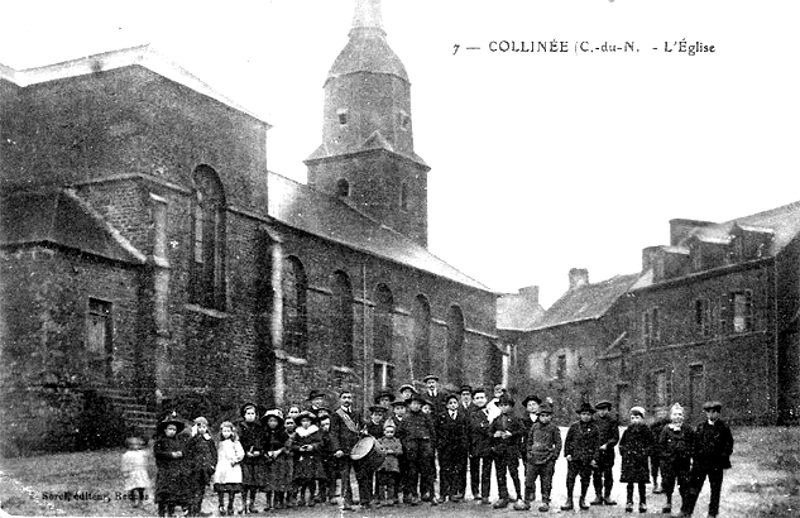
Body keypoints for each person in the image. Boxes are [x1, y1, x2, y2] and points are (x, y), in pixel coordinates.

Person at [680, 401, 734, 518]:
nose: (711, 415)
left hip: (716, 463)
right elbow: (694, 443)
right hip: (700, 463)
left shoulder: (723, 428)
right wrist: (695, 455)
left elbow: (729, 444)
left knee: (715, 489)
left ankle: (712, 513)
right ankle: (687, 512)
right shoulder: (700, 427)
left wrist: (723, 456)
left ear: (718, 413)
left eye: (714, 412)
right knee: (693, 488)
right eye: (708, 412)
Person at [329, 390, 369, 510]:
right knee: (345, 476)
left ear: (352, 400)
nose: (347, 400)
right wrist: (337, 449)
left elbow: (363, 427)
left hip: (357, 449)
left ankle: (365, 501)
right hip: (344, 450)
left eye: (349, 398)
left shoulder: (357, 413)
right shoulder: (336, 414)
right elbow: (333, 433)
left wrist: (364, 431)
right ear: (340, 400)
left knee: (361, 475)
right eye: (344, 397)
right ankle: (347, 502)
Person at [399, 393, 438, 506]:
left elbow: (432, 433)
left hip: (424, 449)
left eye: (418, 404)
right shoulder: (406, 418)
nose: (416, 406)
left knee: (427, 473)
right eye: (414, 403)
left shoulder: (426, 417)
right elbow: (400, 434)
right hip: (411, 450)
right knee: (412, 473)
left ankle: (431, 495)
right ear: (410, 405)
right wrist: (406, 445)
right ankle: (414, 495)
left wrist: (431, 447)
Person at [561, 402, 600, 511]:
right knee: (570, 479)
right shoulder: (574, 427)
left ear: (591, 415)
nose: (586, 416)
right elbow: (568, 441)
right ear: (580, 415)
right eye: (583, 414)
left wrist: (594, 458)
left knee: (585, 479)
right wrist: (567, 454)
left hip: (587, 459)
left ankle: (582, 499)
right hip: (574, 458)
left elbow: (597, 445)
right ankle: (569, 500)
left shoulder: (594, 428)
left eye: (588, 414)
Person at [489, 394, 524, 509]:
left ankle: (519, 496)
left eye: (506, 405)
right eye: (501, 405)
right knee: (500, 474)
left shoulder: (516, 419)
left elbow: (522, 431)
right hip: (499, 452)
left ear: (511, 407)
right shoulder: (496, 420)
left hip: (511, 451)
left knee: (514, 473)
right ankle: (503, 496)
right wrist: (495, 435)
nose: (504, 408)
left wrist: (511, 434)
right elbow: (489, 433)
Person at [658, 403, 695, 515]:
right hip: (669, 462)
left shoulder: (687, 429)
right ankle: (668, 502)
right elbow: (661, 445)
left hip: (683, 462)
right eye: (675, 414)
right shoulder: (666, 429)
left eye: (680, 414)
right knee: (668, 482)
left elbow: (693, 444)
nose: (677, 416)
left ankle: (684, 507)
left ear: (683, 416)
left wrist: (688, 453)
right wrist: (666, 456)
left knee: (684, 484)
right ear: (671, 416)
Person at [524, 402, 561, 513]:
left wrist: (553, 456)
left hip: (547, 459)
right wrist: (529, 453)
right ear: (538, 416)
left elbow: (558, 443)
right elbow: (529, 441)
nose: (545, 418)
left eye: (547, 416)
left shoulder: (553, 428)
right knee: (529, 481)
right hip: (533, 459)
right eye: (542, 416)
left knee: (546, 482)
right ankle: (526, 501)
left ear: (551, 416)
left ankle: (545, 501)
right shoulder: (534, 427)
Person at [154, 412, 190, 517]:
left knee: (173, 494)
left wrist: (181, 454)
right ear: (165, 430)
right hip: (164, 469)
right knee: (163, 492)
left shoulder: (178, 441)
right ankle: (161, 512)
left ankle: (171, 512)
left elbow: (183, 452)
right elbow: (158, 453)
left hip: (175, 470)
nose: (172, 432)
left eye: (174, 430)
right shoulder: (160, 441)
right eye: (170, 429)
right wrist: (171, 455)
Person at [619, 406, 654, 513]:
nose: (635, 420)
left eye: (637, 417)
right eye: (633, 418)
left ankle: (642, 502)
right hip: (629, 460)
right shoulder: (628, 431)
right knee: (629, 482)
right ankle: (629, 501)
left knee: (641, 482)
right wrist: (625, 452)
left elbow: (651, 445)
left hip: (641, 461)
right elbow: (622, 444)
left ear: (642, 419)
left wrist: (644, 453)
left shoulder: (646, 431)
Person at [437, 393, 468, 502]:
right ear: (446, 405)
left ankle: (453, 493)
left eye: (455, 403)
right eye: (450, 403)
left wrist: (464, 446)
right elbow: (437, 432)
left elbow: (466, 433)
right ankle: (442, 494)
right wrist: (440, 445)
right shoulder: (441, 416)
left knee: (456, 471)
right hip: (445, 449)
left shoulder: (462, 416)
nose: (453, 405)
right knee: (444, 471)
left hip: (458, 449)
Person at [185, 417, 218, 517]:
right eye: (199, 427)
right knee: (193, 490)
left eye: (204, 427)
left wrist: (212, 465)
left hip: (205, 469)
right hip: (194, 469)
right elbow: (187, 452)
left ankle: (198, 510)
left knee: (201, 489)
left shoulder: (209, 440)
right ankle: (191, 511)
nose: (202, 429)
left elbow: (214, 454)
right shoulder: (192, 440)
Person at [292, 411, 325, 507]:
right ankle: (301, 497)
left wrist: (312, 447)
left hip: (312, 458)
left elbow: (320, 443)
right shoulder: (297, 432)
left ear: (311, 422)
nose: (305, 423)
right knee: (301, 479)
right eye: (303, 421)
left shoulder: (315, 431)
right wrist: (299, 448)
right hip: (301, 458)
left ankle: (311, 496)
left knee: (311, 479)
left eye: (308, 421)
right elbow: (293, 444)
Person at [213, 421, 244, 516]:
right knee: (221, 487)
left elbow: (241, 453)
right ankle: (221, 505)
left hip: (232, 467)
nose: (226, 433)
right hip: (222, 467)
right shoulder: (219, 443)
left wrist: (236, 460)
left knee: (232, 488)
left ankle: (230, 505)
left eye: (228, 431)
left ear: (232, 432)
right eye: (224, 431)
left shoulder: (235, 443)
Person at [262, 409, 291, 511]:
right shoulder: (265, 433)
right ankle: (268, 502)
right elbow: (261, 446)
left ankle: (278, 501)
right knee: (269, 482)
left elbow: (287, 446)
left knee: (280, 480)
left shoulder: (282, 433)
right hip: (268, 460)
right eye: (270, 421)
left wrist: (279, 451)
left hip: (280, 459)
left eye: (275, 421)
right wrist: (266, 454)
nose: (272, 423)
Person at [592, 400, 620, 505]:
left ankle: (607, 496)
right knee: (596, 474)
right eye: (600, 410)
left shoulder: (612, 421)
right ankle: (598, 495)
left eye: (604, 410)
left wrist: (607, 445)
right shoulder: (594, 420)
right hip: (596, 452)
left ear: (608, 410)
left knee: (608, 474)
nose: (602, 412)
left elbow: (615, 437)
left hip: (608, 453)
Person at [467, 387, 493, 504]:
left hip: (488, 445)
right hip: (476, 444)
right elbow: (477, 427)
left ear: (486, 399)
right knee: (475, 469)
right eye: (477, 398)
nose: (480, 400)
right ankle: (476, 491)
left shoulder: (491, 411)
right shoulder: (472, 414)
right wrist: (489, 427)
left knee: (486, 470)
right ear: (473, 400)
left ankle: (485, 494)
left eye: (482, 397)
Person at [237, 403, 264, 514]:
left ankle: (252, 504)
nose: (250, 416)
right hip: (245, 458)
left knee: (254, 482)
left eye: (253, 414)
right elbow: (238, 442)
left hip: (256, 458)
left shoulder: (259, 428)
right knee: (245, 482)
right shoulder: (240, 427)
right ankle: (243, 504)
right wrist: (245, 452)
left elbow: (262, 442)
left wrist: (259, 451)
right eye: (248, 414)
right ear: (244, 415)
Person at [520, 394, 542, 507]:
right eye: (529, 405)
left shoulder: (542, 419)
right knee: (528, 471)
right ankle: (530, 491)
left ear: (538, 406)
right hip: (527, 449)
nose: (532, 407)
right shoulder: (523, 420)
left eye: (534, 404)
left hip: (540, 450)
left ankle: (545, 495)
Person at [375, 423, 404, 507]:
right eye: (387, 432)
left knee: (391, 483)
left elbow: (400, 451)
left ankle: (390, 498)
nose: (389, 434)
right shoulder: (380, 441)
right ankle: (382, 499)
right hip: (382, 465)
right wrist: (385, 451)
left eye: (391, 432)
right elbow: (377, 450)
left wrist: (393, 452)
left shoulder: (396, 441)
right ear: (384, 432)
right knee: (381, 484)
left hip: (392, 466)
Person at [121, 436, 151, 509]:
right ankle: (133, 501)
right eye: (132, 445)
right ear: (128, 445)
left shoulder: (142, 453)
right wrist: (125, 472)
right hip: (132, 473)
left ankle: (141, 501)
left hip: (141, 472)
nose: (135, 446)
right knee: (132, 488)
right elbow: (124, 464)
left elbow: (149, 452)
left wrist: (149, 443)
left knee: (141, 488)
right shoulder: (126, 455)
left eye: (137, 444)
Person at [316, 414, 337, 505]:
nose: (325, 427)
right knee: (322, 476)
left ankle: (332, 495)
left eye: (327, 424)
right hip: (321, 457)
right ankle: (322, 494)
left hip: (332, 457)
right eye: (323, 425)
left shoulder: (333, 434)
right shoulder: (319, 435)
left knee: (332, 476)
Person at [649, 406, 670, 493]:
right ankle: (655, 483)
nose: (661, 415)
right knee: (654, 467)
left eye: (663, 413)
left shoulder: (669, 425)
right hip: (655, 450)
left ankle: (664, 484)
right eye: (659, 413)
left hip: (665, 449)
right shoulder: (653, 426)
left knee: (664, 468)